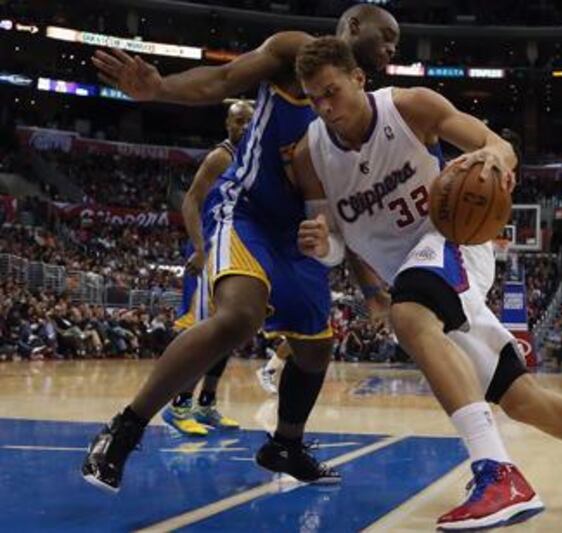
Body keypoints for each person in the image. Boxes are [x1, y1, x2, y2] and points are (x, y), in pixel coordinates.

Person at [290, 37, 562, 530]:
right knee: (522, 400)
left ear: (359, 78)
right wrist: (322, 245)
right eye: (314, 98)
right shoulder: (310, 155)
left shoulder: (409, 107)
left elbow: (498, 146)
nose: (324, 106)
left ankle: (497, 473)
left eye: (331, 91)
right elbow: (336, 241)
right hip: (411, 274)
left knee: (409, 312)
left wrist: (493, 161)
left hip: (453, 243)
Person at [82, 5, 400, 492]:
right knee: (239, 316)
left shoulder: (362, 108)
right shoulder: (296, 50)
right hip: (245, 209)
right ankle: (124, 429)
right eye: (389, 35)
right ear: (355, 26)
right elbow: (224, 77)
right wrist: (160, 87)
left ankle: (285, 445)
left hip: (300, 231)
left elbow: (345, 209)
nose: (393, 47)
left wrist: (371, 290)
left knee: (315, 351)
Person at [162, 100, 254, 437]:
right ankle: (179, 406)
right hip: (210, 247)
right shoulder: (222, 156)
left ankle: (206, 404)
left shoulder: (251, 160)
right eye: (238, 121)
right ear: (228, 124)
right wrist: (199, 249)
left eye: (249, 122)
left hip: (233, 250)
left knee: (227, 334)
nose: (243, 127)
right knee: (203, 332)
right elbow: (191, 201)